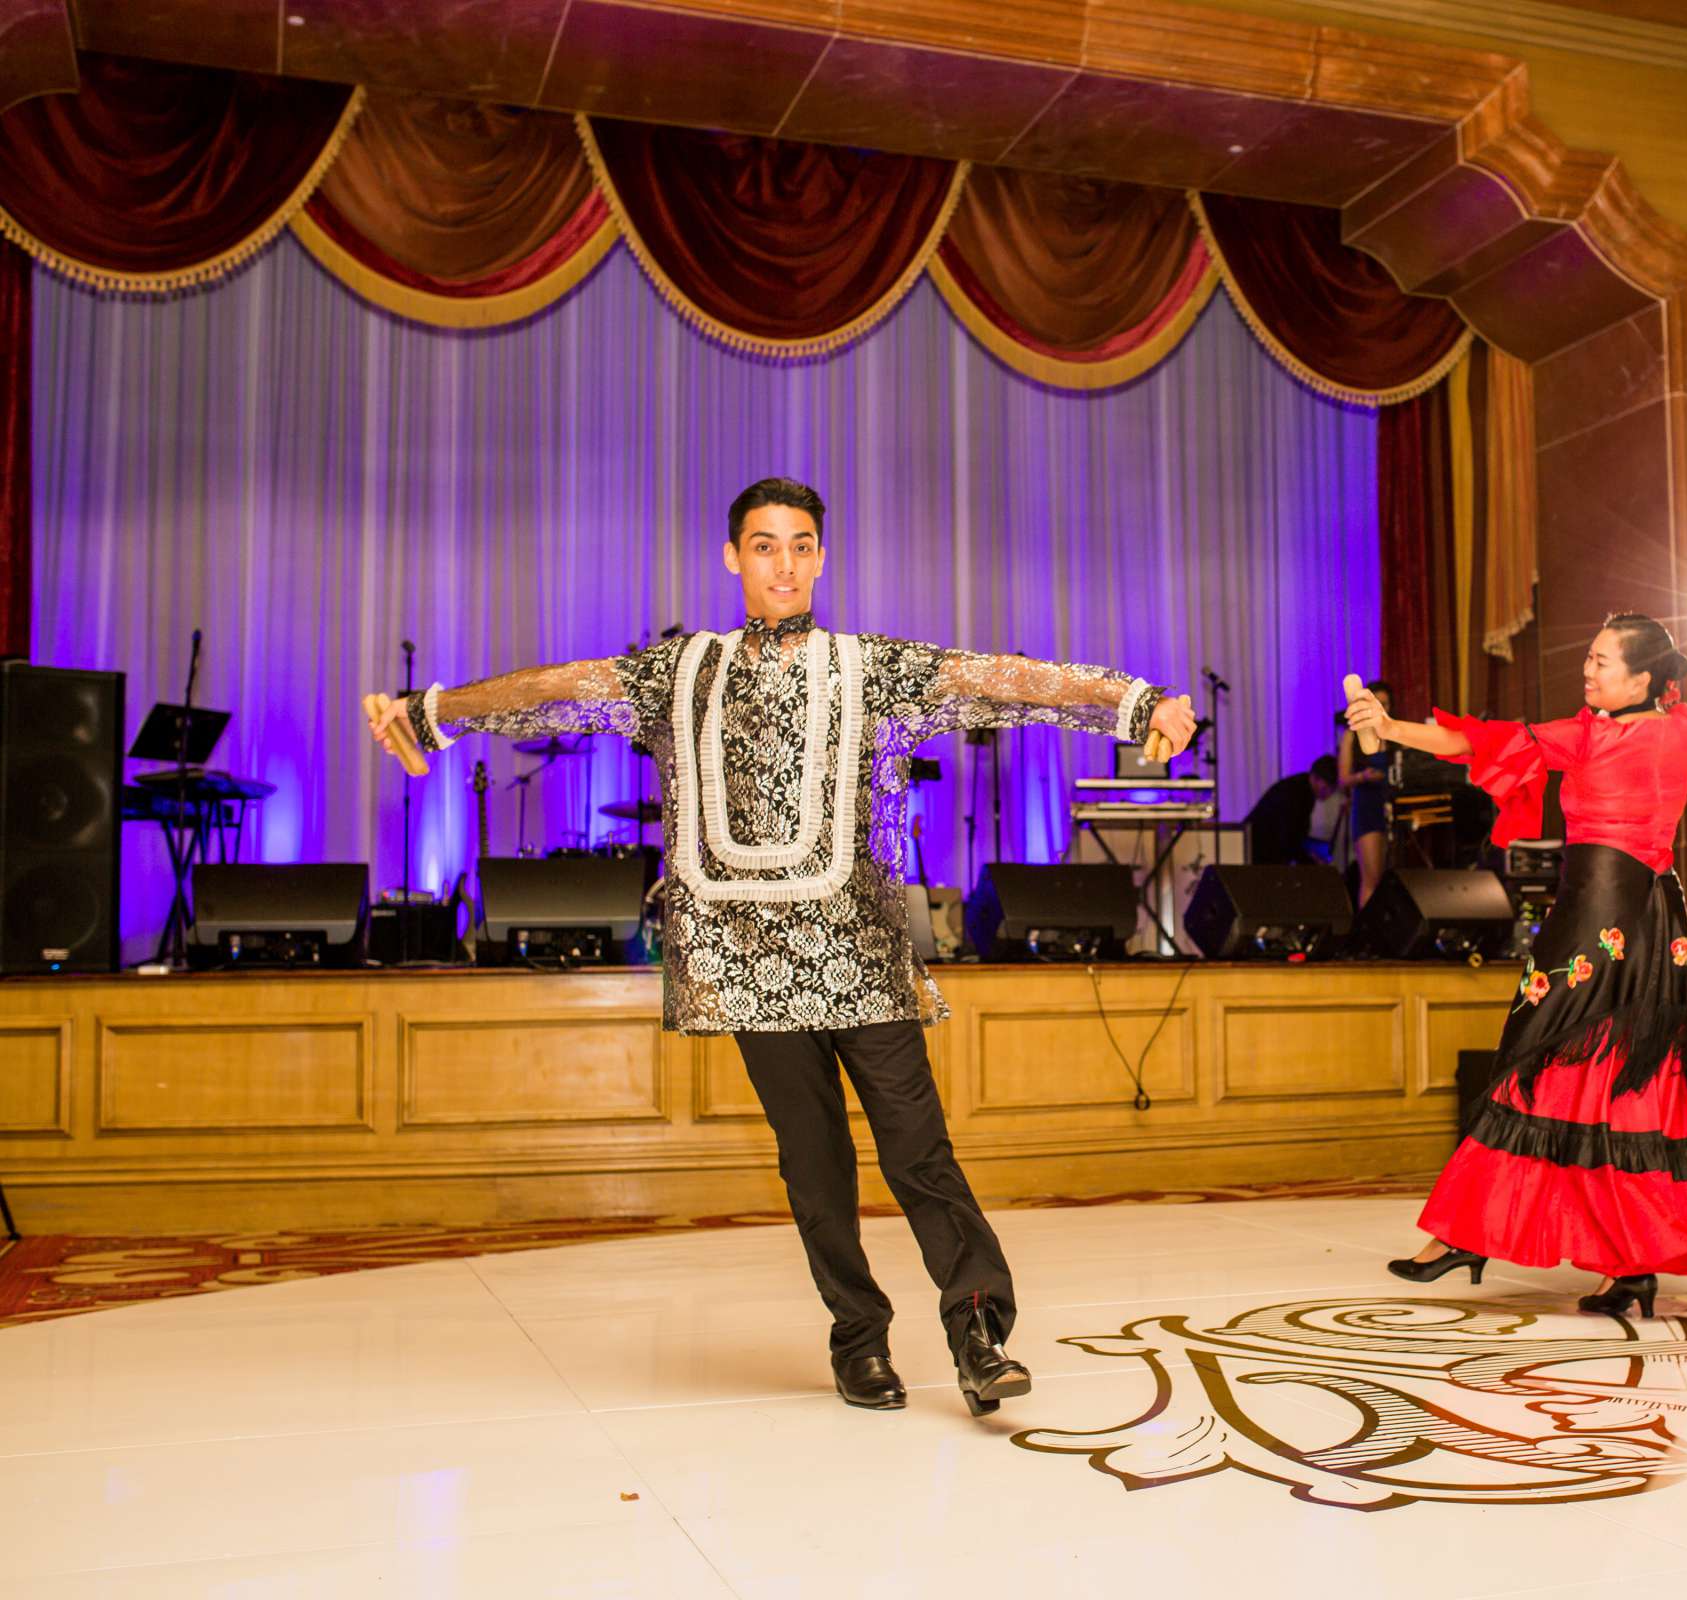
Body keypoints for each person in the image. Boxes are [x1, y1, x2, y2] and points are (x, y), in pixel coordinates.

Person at [362, 477, 1195, 1416]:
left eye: (801, 545)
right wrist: (431, 712)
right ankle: (858, 1339)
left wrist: (1136, 703)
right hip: (750, 964)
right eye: (765, 546)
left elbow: (995, 679)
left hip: (860, 957)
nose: (784, 564)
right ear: (733, 558)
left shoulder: (870, 667)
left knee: (919, 1152)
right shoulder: (675, 675)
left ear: (822, 557)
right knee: (814, 1166)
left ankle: (977, 1331)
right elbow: (558, 690)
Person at [1350, 616, 1687, 1318]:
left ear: (1642, 678)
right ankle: (1620, 1266)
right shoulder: (1678, 725)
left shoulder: (1609, 733)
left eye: (1601, 662)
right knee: (1614, 1079)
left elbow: (1478, 743)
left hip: (1597, 921)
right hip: (1645, 922)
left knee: (1546, 1064)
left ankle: (1478, 1238)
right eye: (1590, 658)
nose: (1588, 672)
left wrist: (1391, 728)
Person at [1338, 678, 1397, 908]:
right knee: (1371, 877)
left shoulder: (1393, 734)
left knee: (1386, 877)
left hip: (1389, 807)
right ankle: (1366, 931)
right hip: (1367, 807)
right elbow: (1343, 779)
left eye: (1386, 704)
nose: (1383, 708)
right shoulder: (1352, 735)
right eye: (1378, 702)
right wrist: (1364, 776)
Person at [1246, 755, 1339, 866]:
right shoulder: (1298, 793)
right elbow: (1290, 837)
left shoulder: (1300, 787)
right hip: (1259, 849)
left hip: (1260, 845)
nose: (1329, 793)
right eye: (1327, 787)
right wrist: (1311, 861)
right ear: (1315, 778)